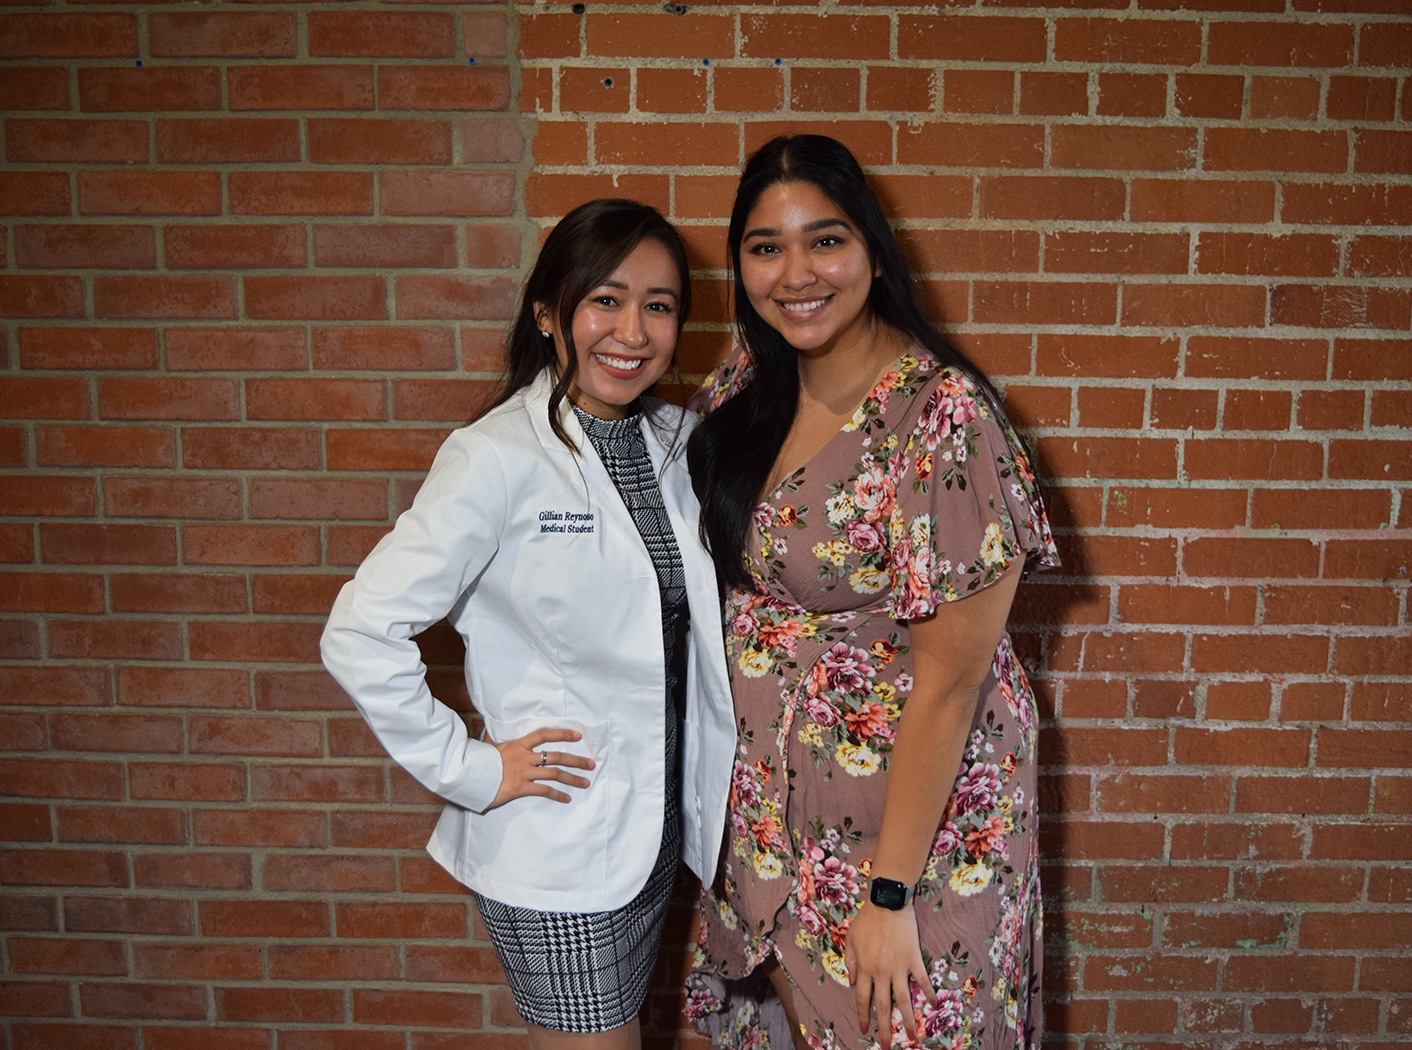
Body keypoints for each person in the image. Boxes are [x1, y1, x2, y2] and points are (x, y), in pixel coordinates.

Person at [320, 198, 737, 1050]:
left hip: (658, 833)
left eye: (658, 305)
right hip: (558, 842)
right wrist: (470, 770)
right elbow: (359, 631)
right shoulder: (495, 457)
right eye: (605, 300)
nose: (632, 330)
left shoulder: (680, 440)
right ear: (549, 313)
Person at [683, 136, 1059, 1050]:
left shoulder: (945, 420)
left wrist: (888, 895)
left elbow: (952, 683)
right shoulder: (745, 382)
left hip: (911, 843)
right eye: (766, 247)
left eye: (826, 240)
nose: (795, 274)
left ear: (875, 251)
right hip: (774, 823)